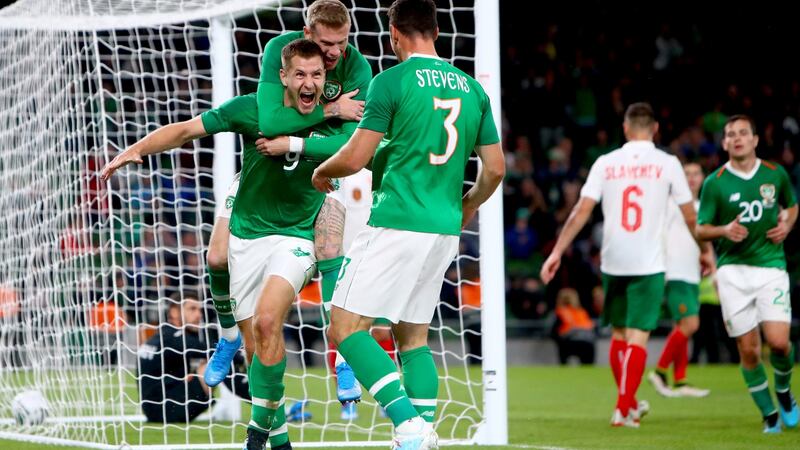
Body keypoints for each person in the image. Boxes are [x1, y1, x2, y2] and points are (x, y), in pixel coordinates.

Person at [103, 39, 347, 450]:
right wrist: (137, 148)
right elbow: (186, 130)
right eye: (301, 74)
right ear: (283, 77)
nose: (310, 83)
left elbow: (363, 148)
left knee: (270, 322)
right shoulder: (251, 109)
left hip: (296, 237)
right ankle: (278, 436)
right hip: (248, 237)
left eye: (317, 75)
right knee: (256, 349)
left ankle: (258, 433)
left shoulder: (337, 117)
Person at [311, 1, 504, 448]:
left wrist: (323, 172)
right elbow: (494, 168)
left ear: (394, 33)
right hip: (443, 228)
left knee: (344, 328)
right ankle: (419, 433)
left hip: (398, 220)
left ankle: (409, 425)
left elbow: (356, 157)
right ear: (436, 31)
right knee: (413, 336)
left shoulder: (391, 81)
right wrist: (469, 204)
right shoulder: (472, 89)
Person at [203, 0, 371, 414]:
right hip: (261, 176)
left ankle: (342, 359)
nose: (333, 53)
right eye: (325, 43)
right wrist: (331, 109)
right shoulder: (279, 49)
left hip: (319, 173)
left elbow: (350, 145)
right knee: (217, 257)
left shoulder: (358, 68)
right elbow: (272, 122)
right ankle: (227, 339)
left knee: (332, 248)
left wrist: (296, 143)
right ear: (306, 33)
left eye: (341, 43)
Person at [540, 102, 713, 428]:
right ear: (655, 128)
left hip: (613, 260)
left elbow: (581, 210)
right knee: (638, 336)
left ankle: (631, 404)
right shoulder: (668, 163)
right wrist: (704, 249)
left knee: (619, 334)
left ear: (625, 128)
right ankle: (622, 409)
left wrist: (557, 251)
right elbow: (691, 216)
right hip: (648, 261)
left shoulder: (606, 162)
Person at [696, 114, 799, 433]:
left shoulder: (774, 174)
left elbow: (792, 206)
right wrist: (724, 230)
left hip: (770, 267)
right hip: (732, 273)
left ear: (755, 139)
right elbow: (700, 229)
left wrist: (787, 224)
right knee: (749, 349)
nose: (737, 138)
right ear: (725, 143)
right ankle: (769, 415)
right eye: (731, 134)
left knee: (779, 343)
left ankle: (783, 391)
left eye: (743, 133)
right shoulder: (715, 183)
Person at [648, 162, 712, 398]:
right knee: (690, 324)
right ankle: (660, 372)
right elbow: (658, 234)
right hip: (675, 273)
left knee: (682, 327)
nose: (692, 178)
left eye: (696, 173)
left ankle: (680, 379)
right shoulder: (671, 204)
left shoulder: (700, 206)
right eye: (687, 174)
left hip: (691, 274)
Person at [137, 293, 249, 423]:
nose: (199, 315)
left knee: (215, 361)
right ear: (174, 311)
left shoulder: (163, 335)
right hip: (165, 410)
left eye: (200, 310)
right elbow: (213, 351)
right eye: (192, 309)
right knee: (218, 362)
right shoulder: (173, 338)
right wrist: (242, 355)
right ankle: (259, 400)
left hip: (158, 407)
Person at [551, 288, 596, 365]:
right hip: (586, 342)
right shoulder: (582, 312)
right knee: (587, 365)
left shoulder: (559, 311)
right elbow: (592, 328)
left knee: (564, 364)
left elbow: (553, 331)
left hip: (568, 342)